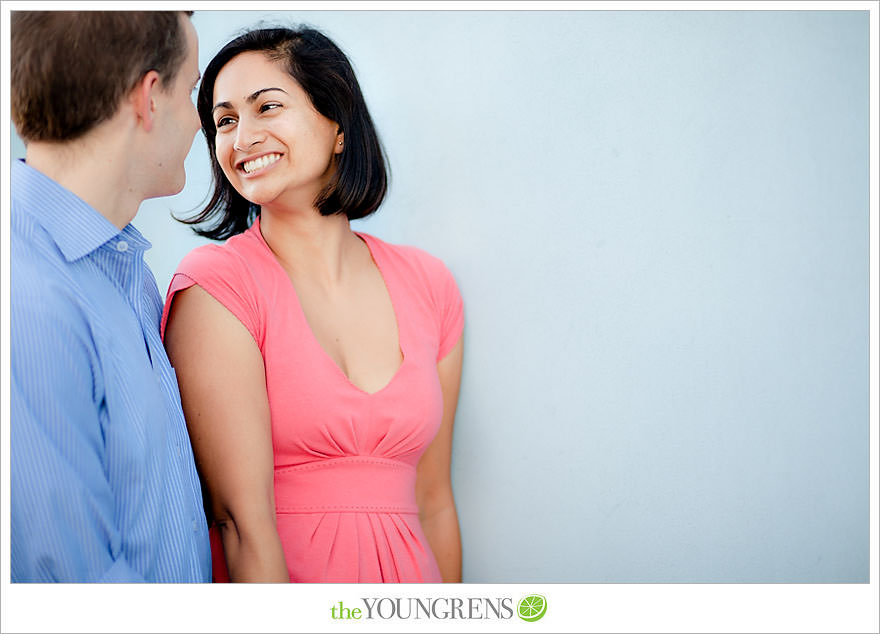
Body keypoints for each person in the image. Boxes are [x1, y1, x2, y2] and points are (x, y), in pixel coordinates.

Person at [162, 26, 465, 583]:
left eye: (266, 108)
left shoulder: (430, 284)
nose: (241, 137)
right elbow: (237, 523)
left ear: (338, 127)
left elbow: (435, 500)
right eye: (224, 121)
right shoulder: (217, 287)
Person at [10, 11, 211, 582]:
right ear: (149, 98)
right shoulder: (25, 296)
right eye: (192, 90)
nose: (201, 124)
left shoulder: (124, 270)